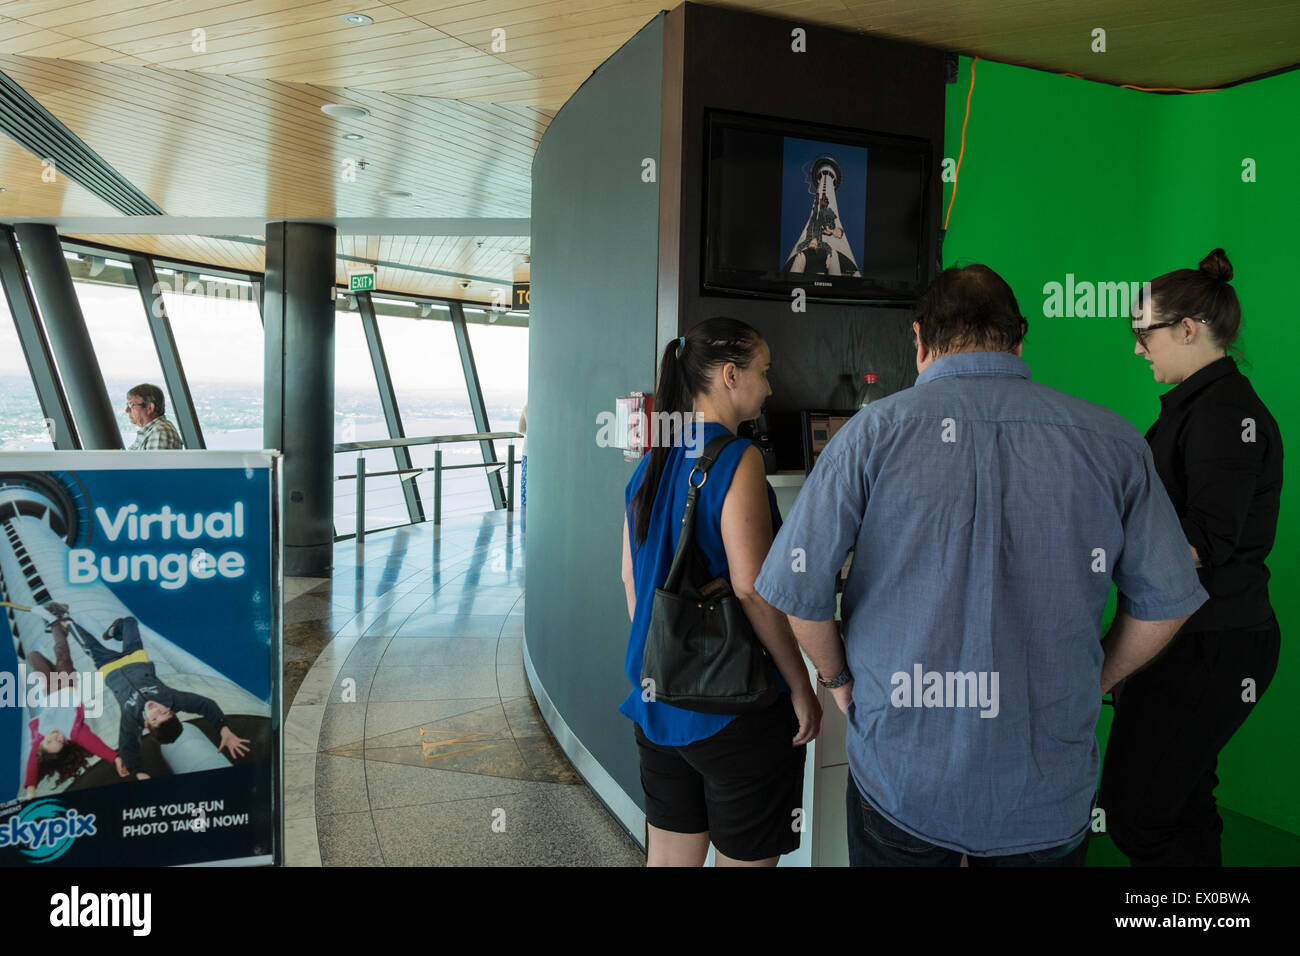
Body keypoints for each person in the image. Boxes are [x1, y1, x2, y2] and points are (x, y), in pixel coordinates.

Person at [755, 264, 1208, 866]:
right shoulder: (1114, 442)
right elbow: (1166, 603)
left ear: (919, 340)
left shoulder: (867, 436)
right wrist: (1093, 679)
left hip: (902, 776)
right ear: (1020, 338)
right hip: (1045, 787)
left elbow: (798, 593)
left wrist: (837, 683)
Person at [1100, 249, 1283, 866]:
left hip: (1213, 645)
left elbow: (1203, 541)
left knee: (1137, 814)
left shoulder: (1226, 414)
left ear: (1186, 329)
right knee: (1183, 803)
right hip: (1194, 640)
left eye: (1143, 334)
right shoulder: (1199, 406)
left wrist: (1096, 540)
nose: (1137, 350)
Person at [620, 317, 821, 867]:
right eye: (764, 371)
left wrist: (670, 657)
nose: (770, 387)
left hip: (657, 699)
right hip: (735, 708)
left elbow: (631, 579)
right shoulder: (738, 458)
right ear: (730, 375)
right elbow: (752, 590)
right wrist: (800, 685)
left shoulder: (654, 458)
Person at [50, 607, 249, 777]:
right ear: (172, 711)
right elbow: (205, 705)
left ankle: (64, 621)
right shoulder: (172, 699)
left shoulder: (131, 718)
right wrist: (224, 729)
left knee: (84, 639)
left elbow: (128, 746)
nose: (156, 710)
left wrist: (139, 772)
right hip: (136, 657)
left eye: (154, 718)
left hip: (108, 665)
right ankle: (115, 630)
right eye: (165, 712)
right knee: (129, 621)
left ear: (146, 724)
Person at [20, 610, 123, 799]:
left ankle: (59, 633)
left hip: (49, 688)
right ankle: (56, 625)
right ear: (66, 742)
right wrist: (115, 758)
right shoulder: (74, 732)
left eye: (51, 741)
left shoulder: (38, 736)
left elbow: (32, 764)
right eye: (60, 741)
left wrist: (31, 789)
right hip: (67, 683)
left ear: (41, 743)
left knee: (34, 656)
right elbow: (95, 745)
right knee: (61, 652)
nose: (56, 735)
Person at [124, 383, 183, 450]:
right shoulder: (152, 431)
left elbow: (154, 457)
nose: (126, 410)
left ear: (150, 408)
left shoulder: (160, 432)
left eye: (131, 405)